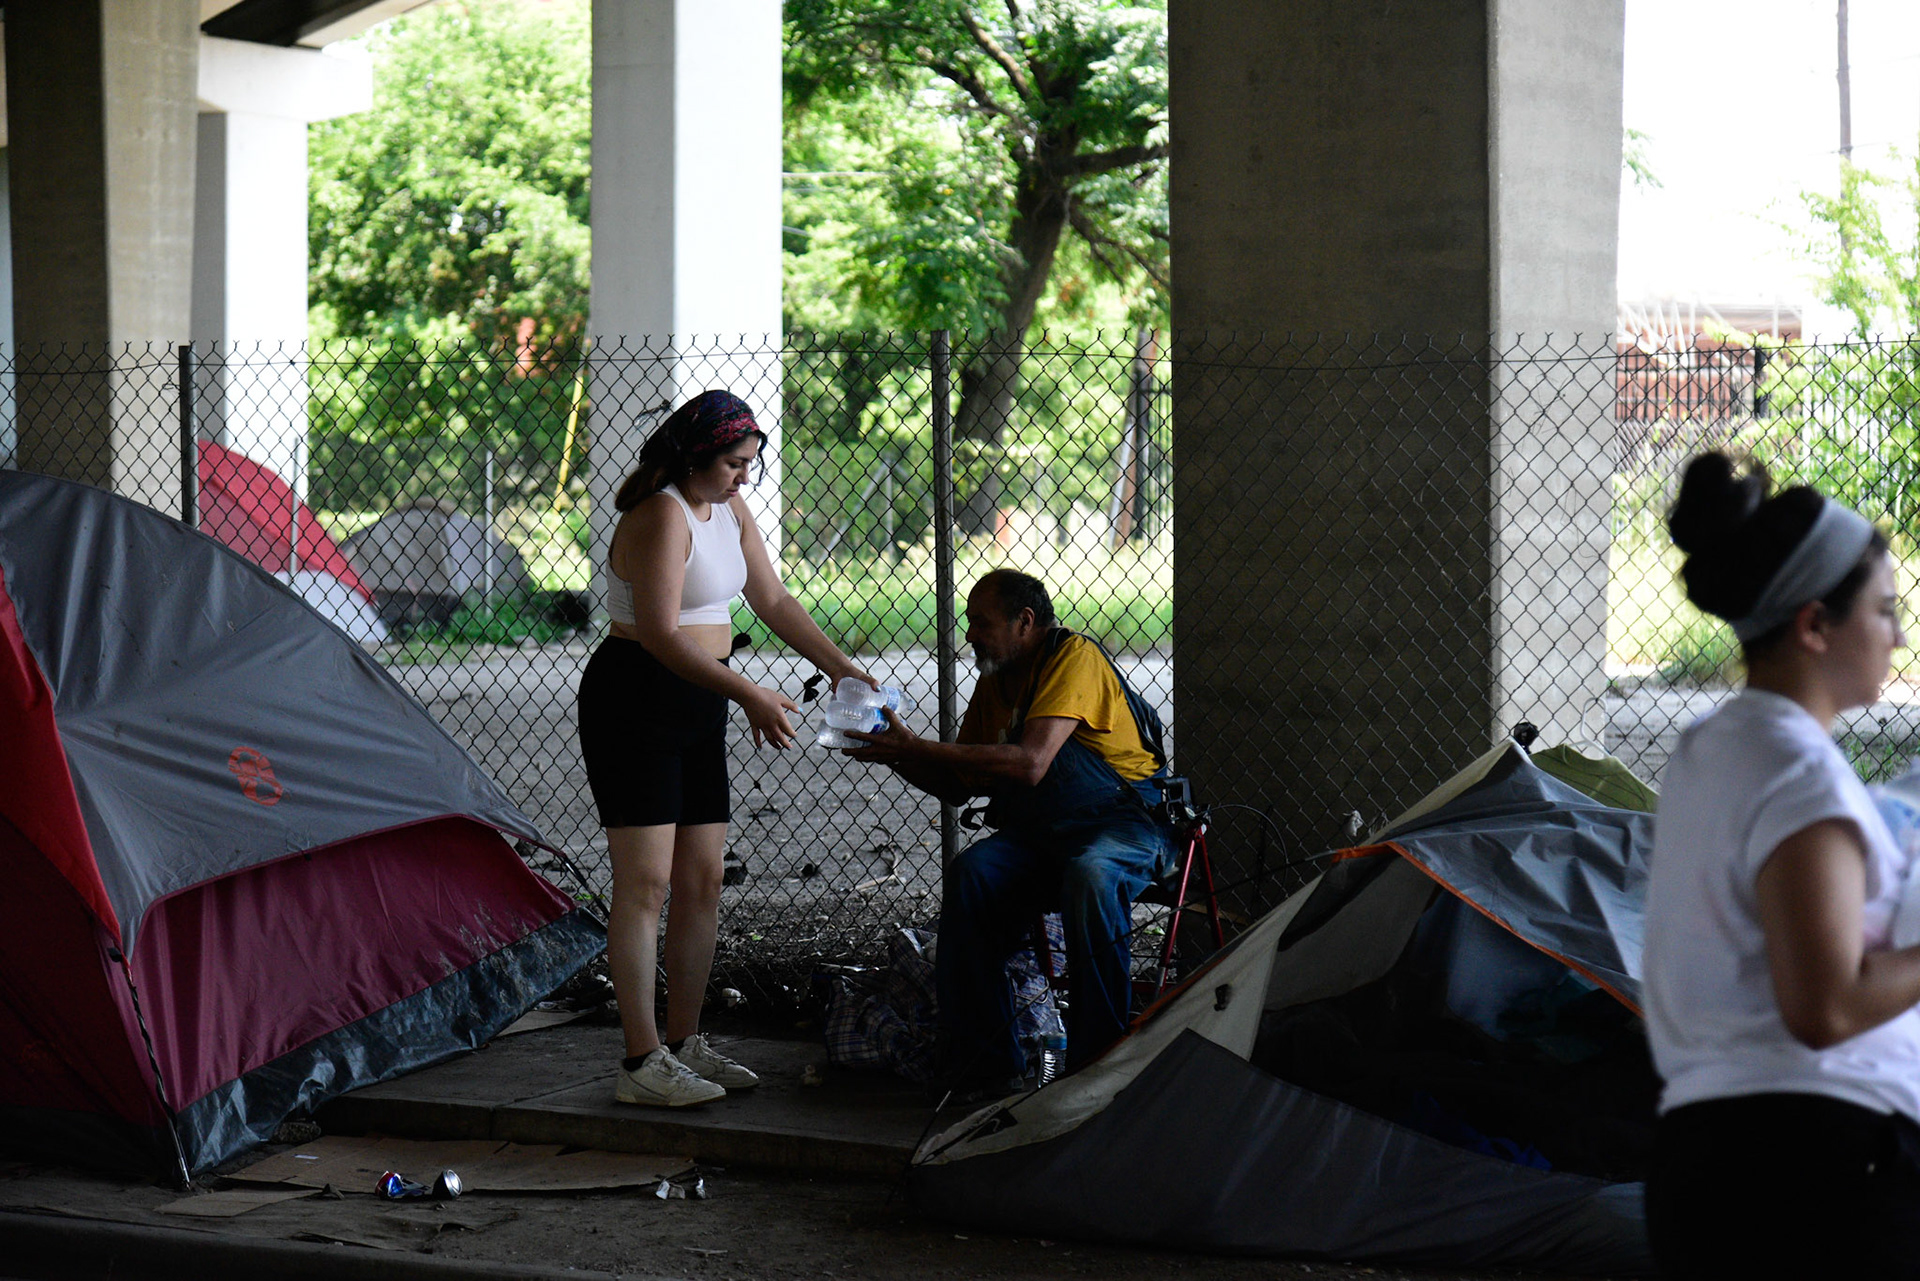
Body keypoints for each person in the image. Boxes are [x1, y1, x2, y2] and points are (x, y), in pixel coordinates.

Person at [1644, 452, 1919, 1277]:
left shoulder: (1708, 751)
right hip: (1821, 1170)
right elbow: (1825, 1007)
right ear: (1813, 625)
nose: (1898, 635)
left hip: (1708, 1156)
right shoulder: (1796, 773)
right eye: (1884, 610)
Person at [578, 390, 873, 1108]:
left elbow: (772, 600)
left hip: (697, 701)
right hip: (636, 700)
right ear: (695, 456)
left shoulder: (730, 510)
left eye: (751, 465)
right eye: (735, 464)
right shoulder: (659, 515)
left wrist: (843, 666)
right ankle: (641, 1059)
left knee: (703, 878)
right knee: (645, 885)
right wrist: (748, 692)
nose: (746, 478)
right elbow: (658, 633)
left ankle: (685, 1042)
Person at [844, 568, 1174, 1093]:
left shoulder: (1075, 658)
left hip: (1125, 825)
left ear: (1025, 621)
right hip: (1045, 835)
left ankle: (1099, 1065)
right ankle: (985, 1067)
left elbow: (1030, 762)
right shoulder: (995, 682)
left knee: (1090, 876)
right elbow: (959, 784)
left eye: (980, 622)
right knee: (973, 872)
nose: (969, 635)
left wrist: (919, 748)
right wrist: (894, 752)